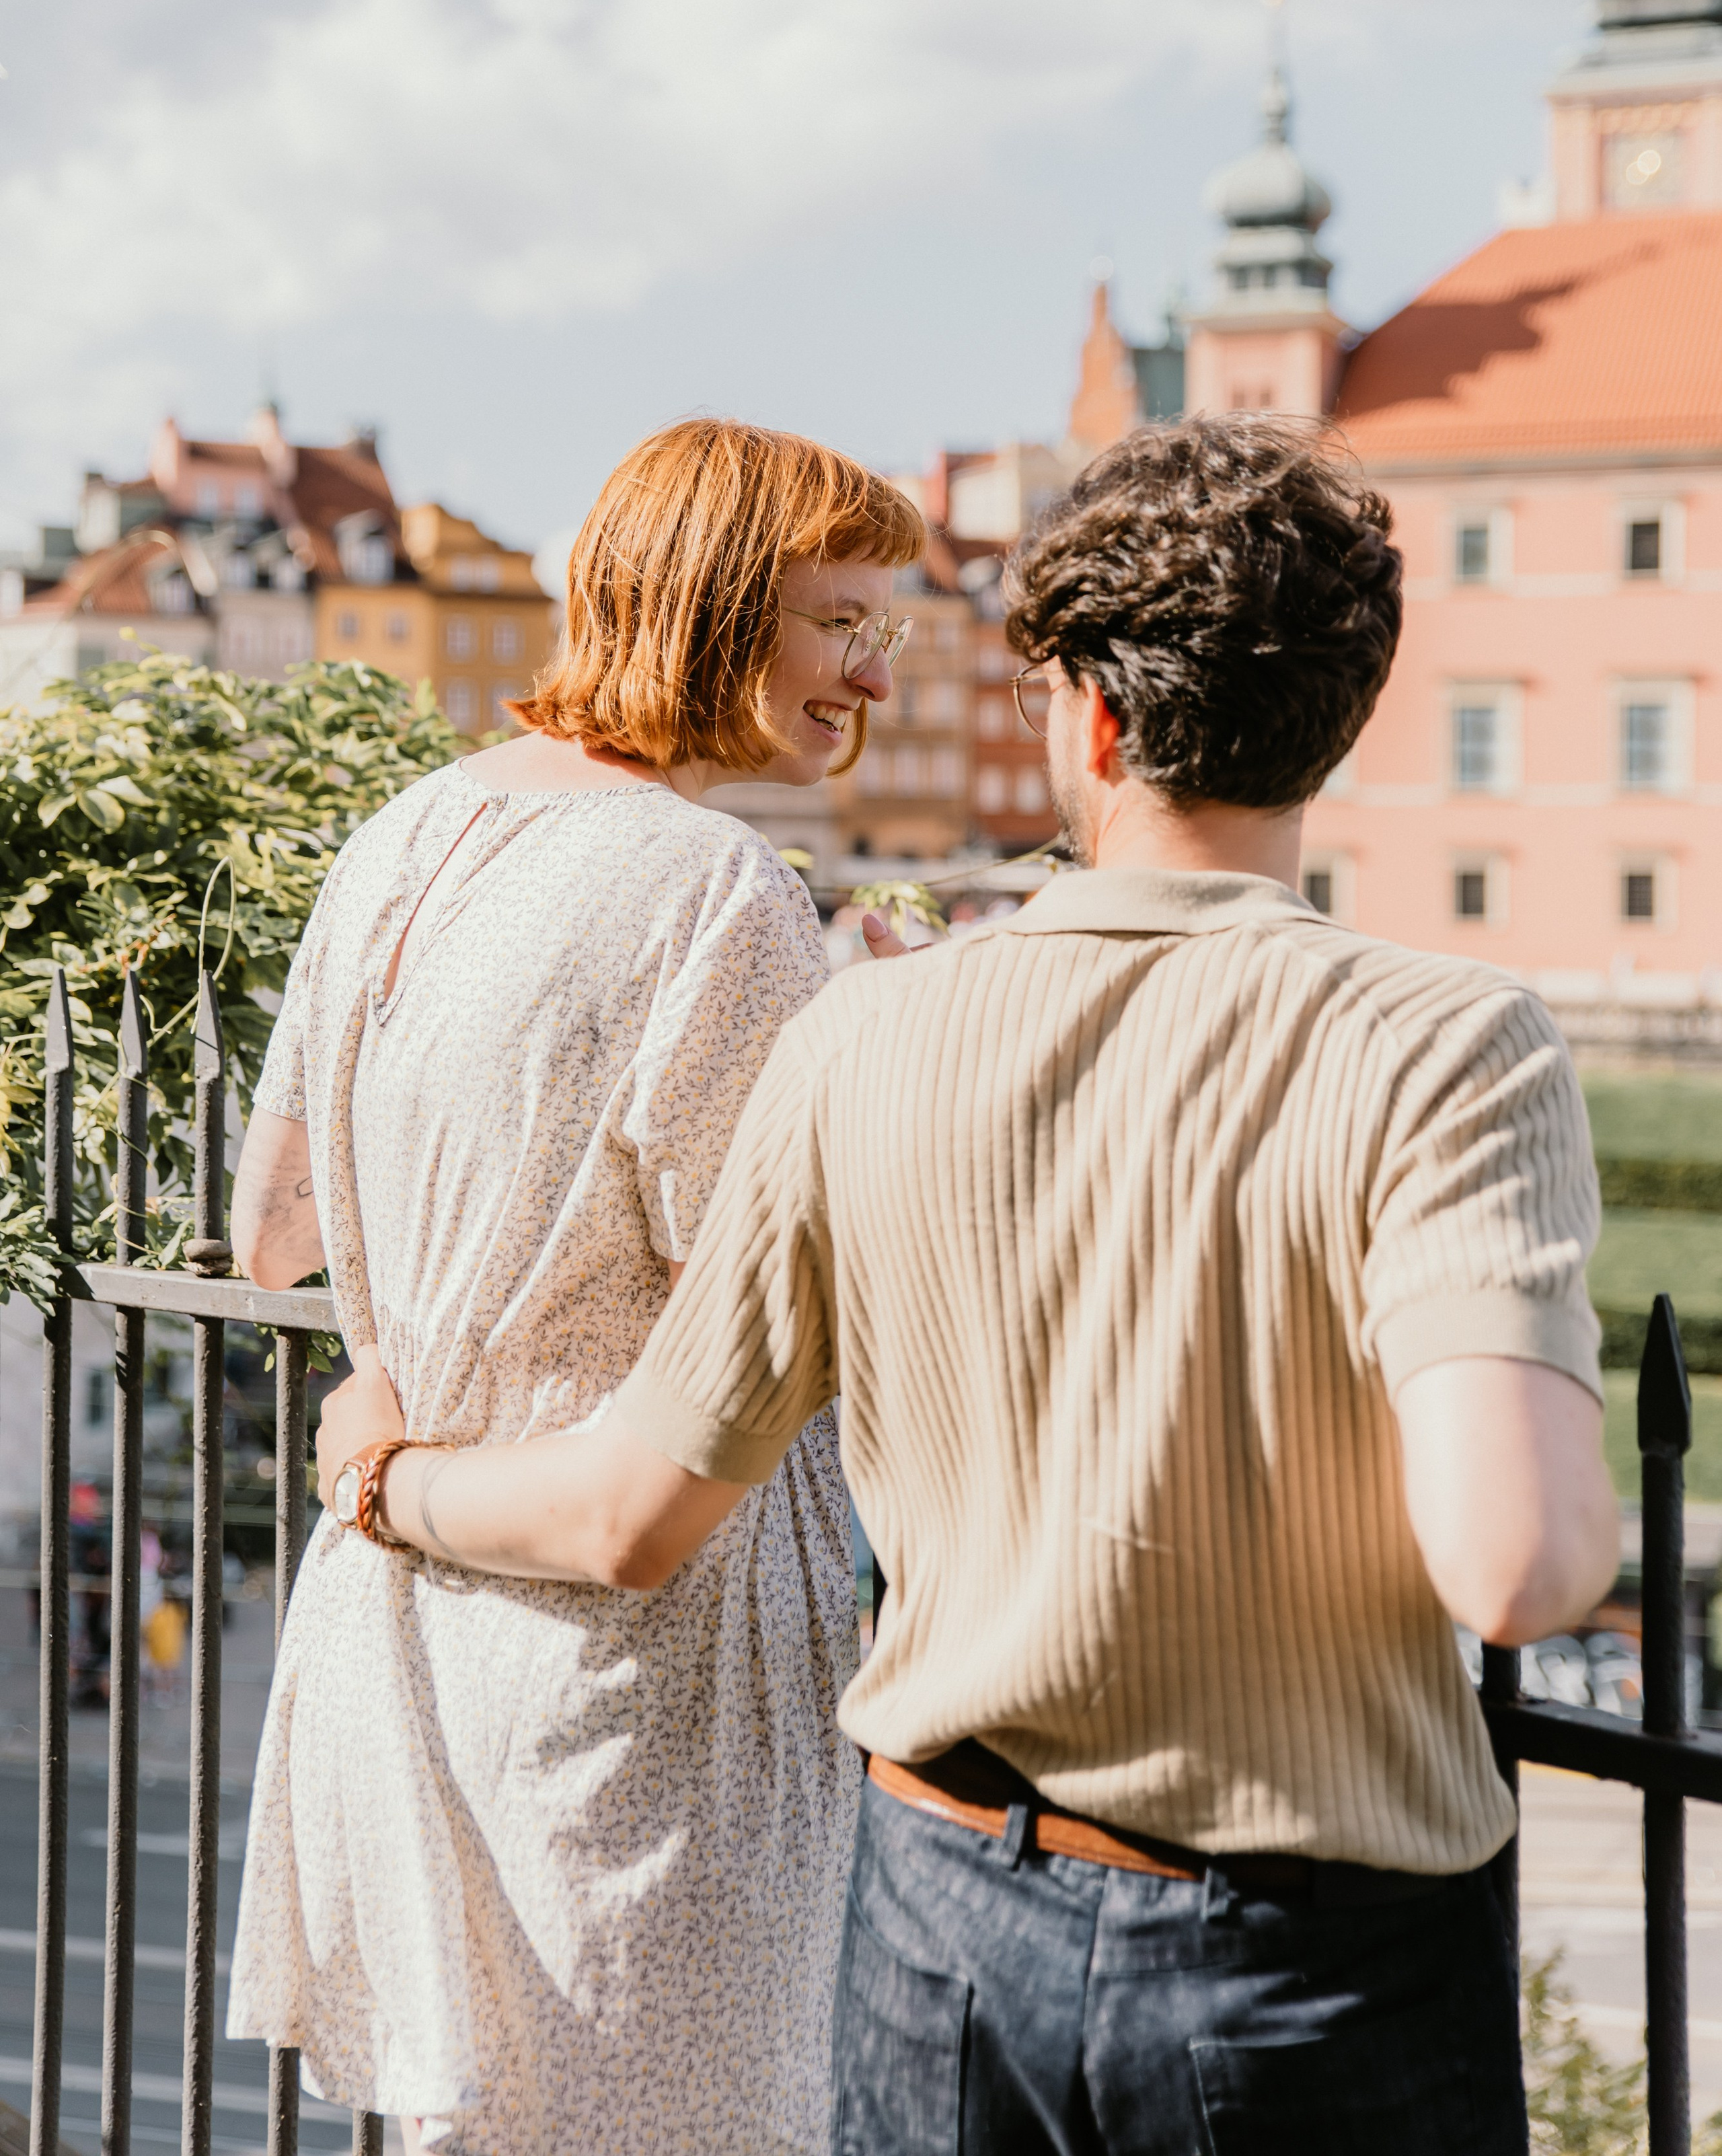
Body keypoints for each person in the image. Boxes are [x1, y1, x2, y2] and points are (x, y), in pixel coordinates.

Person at [321, 414, 1620, 2156]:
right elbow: (1521, 1563)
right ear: (1351, 714)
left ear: (1083, 714)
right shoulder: (1448, 1044)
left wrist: (387, 1477)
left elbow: (635, 1500)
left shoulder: (865, 1030)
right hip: (1308, 1937)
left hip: (945, 1914)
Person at [226, 417, 923, 2155]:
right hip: (644, 1694)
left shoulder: (401, 837)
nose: (875, 678)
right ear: (718, 607)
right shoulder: (717, 891)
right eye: (845, 622)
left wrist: (413, 1360)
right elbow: (798, 1320)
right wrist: (868, 1048)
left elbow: (269, 1233)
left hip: (414, 1646)